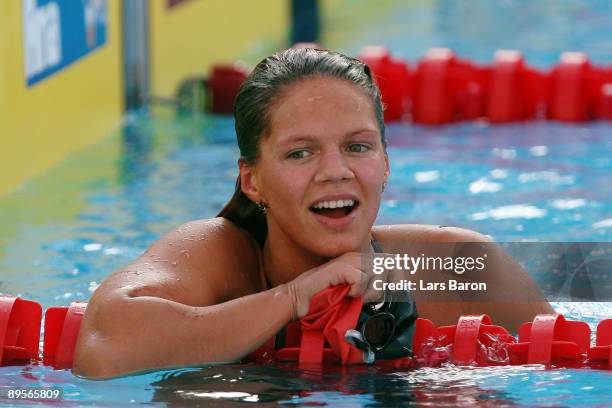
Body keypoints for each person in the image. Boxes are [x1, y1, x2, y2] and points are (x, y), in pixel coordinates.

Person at [73, 48, 554, 379]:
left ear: (385, 163)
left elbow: (571, 367)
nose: (335, 172)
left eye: (357, 146)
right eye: (300, 153)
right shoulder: (219, 256)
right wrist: (296, 296)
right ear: (252, 180)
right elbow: (102, 347)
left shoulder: (456, 266)